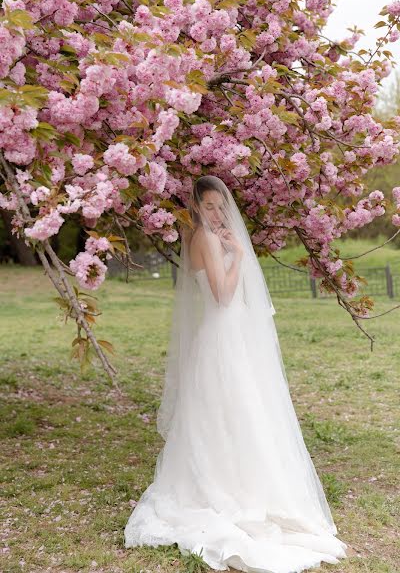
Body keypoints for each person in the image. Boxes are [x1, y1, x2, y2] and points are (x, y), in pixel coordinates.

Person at [124, 175, 348, 572]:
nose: (215, 213)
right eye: (207, 207)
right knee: (229, 409)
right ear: (195, 208)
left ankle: (238, 481)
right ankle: (228, 489)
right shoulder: (206, 240)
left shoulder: (205, 238)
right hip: (221, 336)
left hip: (225, 335)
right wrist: (239, 257)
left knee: (231, 410)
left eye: (219, 206)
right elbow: (224, 295)